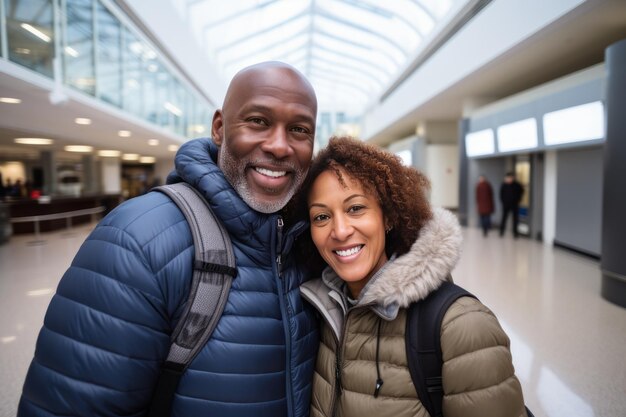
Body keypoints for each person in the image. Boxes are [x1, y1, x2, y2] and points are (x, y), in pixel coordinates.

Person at [18, 62, 320, 417]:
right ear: (220, 128)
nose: (279, 146)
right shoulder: (136, 239)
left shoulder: (312, 241)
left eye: (299, 129)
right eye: (258, 121)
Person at [295, 136, 528, 417]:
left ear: (389, 216)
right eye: (321, 217)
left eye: (355, 208)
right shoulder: (320, 311)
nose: (340, 231)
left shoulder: (460, 327)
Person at [499, 172, 524, 238]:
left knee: (515, 219)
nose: (509, 179)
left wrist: (518, 199)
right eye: (508, 178)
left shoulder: (517, 185)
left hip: (514, 204)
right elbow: (501, 194)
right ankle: (501, 232)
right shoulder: (504, 185)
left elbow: (521, 192)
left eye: (511, 177)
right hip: (506, 204)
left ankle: (515, 233)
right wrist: (503, 202)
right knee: (504, 218)